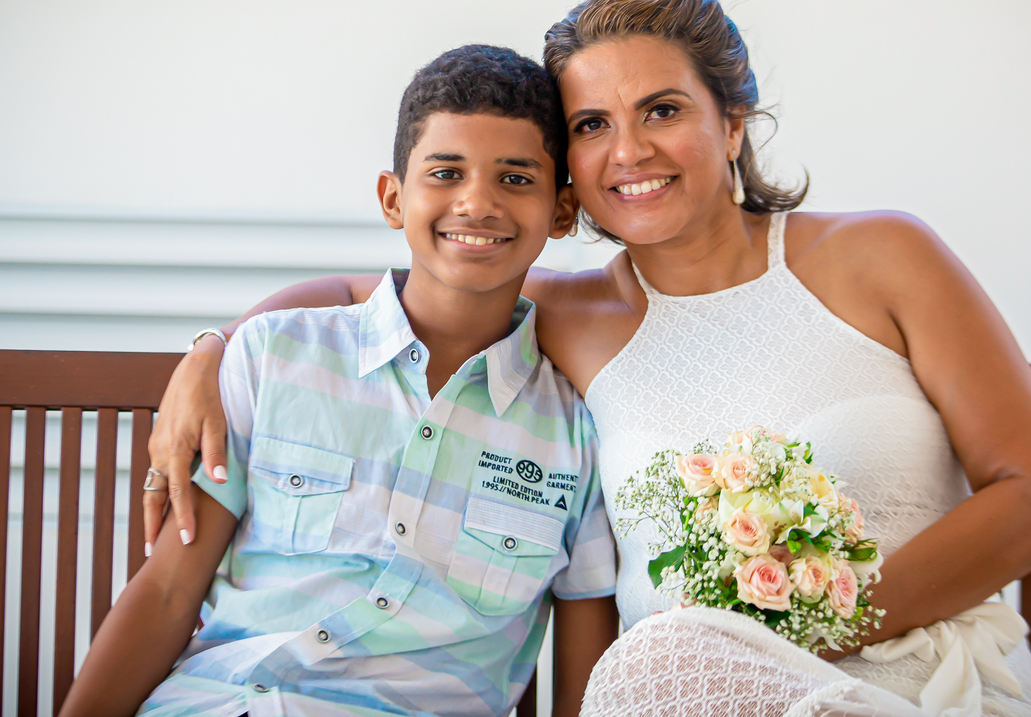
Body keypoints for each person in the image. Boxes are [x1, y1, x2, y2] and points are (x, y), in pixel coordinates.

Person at [144, 0, 1031, 717]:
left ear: (734, 124)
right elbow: (367, 295)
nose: (627, 151)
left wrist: (791, 632)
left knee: (663, 659)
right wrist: (211, 351)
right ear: (566, 175)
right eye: (592, 125)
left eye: (663, 110)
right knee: (660, 665)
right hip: (678, 700)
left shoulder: (881, 255)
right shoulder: (571, 315)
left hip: (909, 683)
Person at [62, 45, 619, 717]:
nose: (477, 203)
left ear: (561, 212)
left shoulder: (575, 432)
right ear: (393, 198)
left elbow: (590, 657)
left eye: (516, 179)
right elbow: (169, 592)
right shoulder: (274, 356)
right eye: (445, 172)